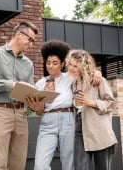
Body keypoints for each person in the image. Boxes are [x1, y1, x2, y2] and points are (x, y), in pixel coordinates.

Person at [25, 40, 102, 170]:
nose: (50, 66)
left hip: (68, 120)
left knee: (69, 162)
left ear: (62, 64)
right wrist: (39, 102)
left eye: (55, 63)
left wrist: (97, 72)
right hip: (48, 121)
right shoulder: (40, 83)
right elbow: (39, 111)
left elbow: (86, 70)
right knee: (40, 164)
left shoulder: (70, 77)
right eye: (48, 63)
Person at [0, 21, 44, 170]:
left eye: (33, 41)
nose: (31, 44)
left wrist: (34, 103)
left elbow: (28, 92)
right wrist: (11, 85)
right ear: (19, 34)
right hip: (0, 111)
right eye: (30, 39)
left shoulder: (29, 64)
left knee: (18, 164)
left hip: (21, 114)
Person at [66, 50, 118, 170]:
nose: (71, 68)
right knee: (79, 167)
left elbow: (112, 103)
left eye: (75, 66)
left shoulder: (97, 81)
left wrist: (91, 102)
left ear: (83, 67)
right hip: (79, 130)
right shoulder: (72, 85)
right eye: (70, 64)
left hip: (99, 130)